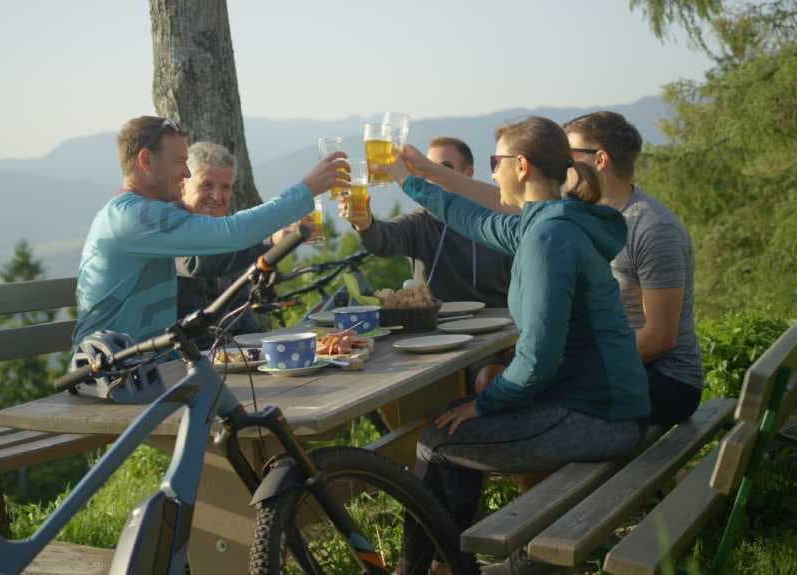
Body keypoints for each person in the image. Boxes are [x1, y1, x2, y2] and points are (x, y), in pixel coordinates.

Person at [377, 117, 650, 575]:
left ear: (521, 166)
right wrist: (409, 179)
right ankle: (448, 567)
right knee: (446, 434)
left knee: (437, 441)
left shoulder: (548, 237)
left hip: (601, 416)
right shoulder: (545, 224)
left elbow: (538, 358)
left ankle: (431, 570)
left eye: (495, 162)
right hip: (602, 404)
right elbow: (470, 216)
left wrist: (485, 405)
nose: (493, 172)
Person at [73, 116, 346, 346]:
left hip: (147, 368)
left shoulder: (145, 216)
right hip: (114, 374)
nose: (186, 173)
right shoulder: (134, 216)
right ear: (146, 161)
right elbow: (230, 235)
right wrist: (306, 190)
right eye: (180, 161)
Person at [563, 112, 703, 425]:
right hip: (627, 367)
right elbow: (512, 205)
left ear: (599, 160)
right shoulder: (588, 215)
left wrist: (579, 366)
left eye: (568, 157)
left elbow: (659, 338)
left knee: (538, 404)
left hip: (668, 380)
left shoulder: (653, 228)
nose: (562, 166)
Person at [339, 137, 512, 307]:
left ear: (467, 174)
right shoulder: (419, 224)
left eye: (444, 168)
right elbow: (382, 240)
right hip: (438, 326)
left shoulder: (495, 221)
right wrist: (364, 223)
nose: (433, 175)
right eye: (426, 168)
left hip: (500, 321)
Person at [174, 142, 294, 347]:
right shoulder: (170, 226)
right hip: (181, 360)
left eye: (225, 187)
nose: (217, 196)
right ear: (183, 185)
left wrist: (262, 346)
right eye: (207, 185)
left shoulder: (224, 232)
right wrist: (270, 241)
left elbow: (240, 308)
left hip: (228, 355)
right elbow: (200, 263)